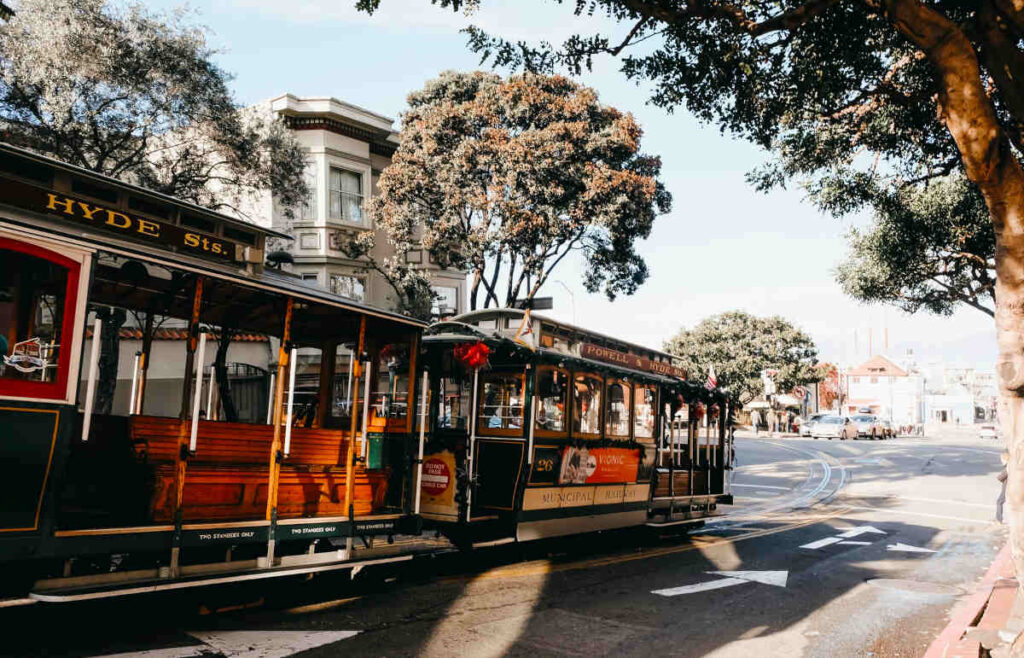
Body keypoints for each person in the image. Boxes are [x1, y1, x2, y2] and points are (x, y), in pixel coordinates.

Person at [997, 452, 1009, 523]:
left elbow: (1001, 478)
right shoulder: (1010, 467)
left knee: (999, 502)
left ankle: (999, 519)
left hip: (1006, 488)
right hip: (1008, 488)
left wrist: (999, 476)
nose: (1001, 461)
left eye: (1002, 459)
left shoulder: (1007, 468)